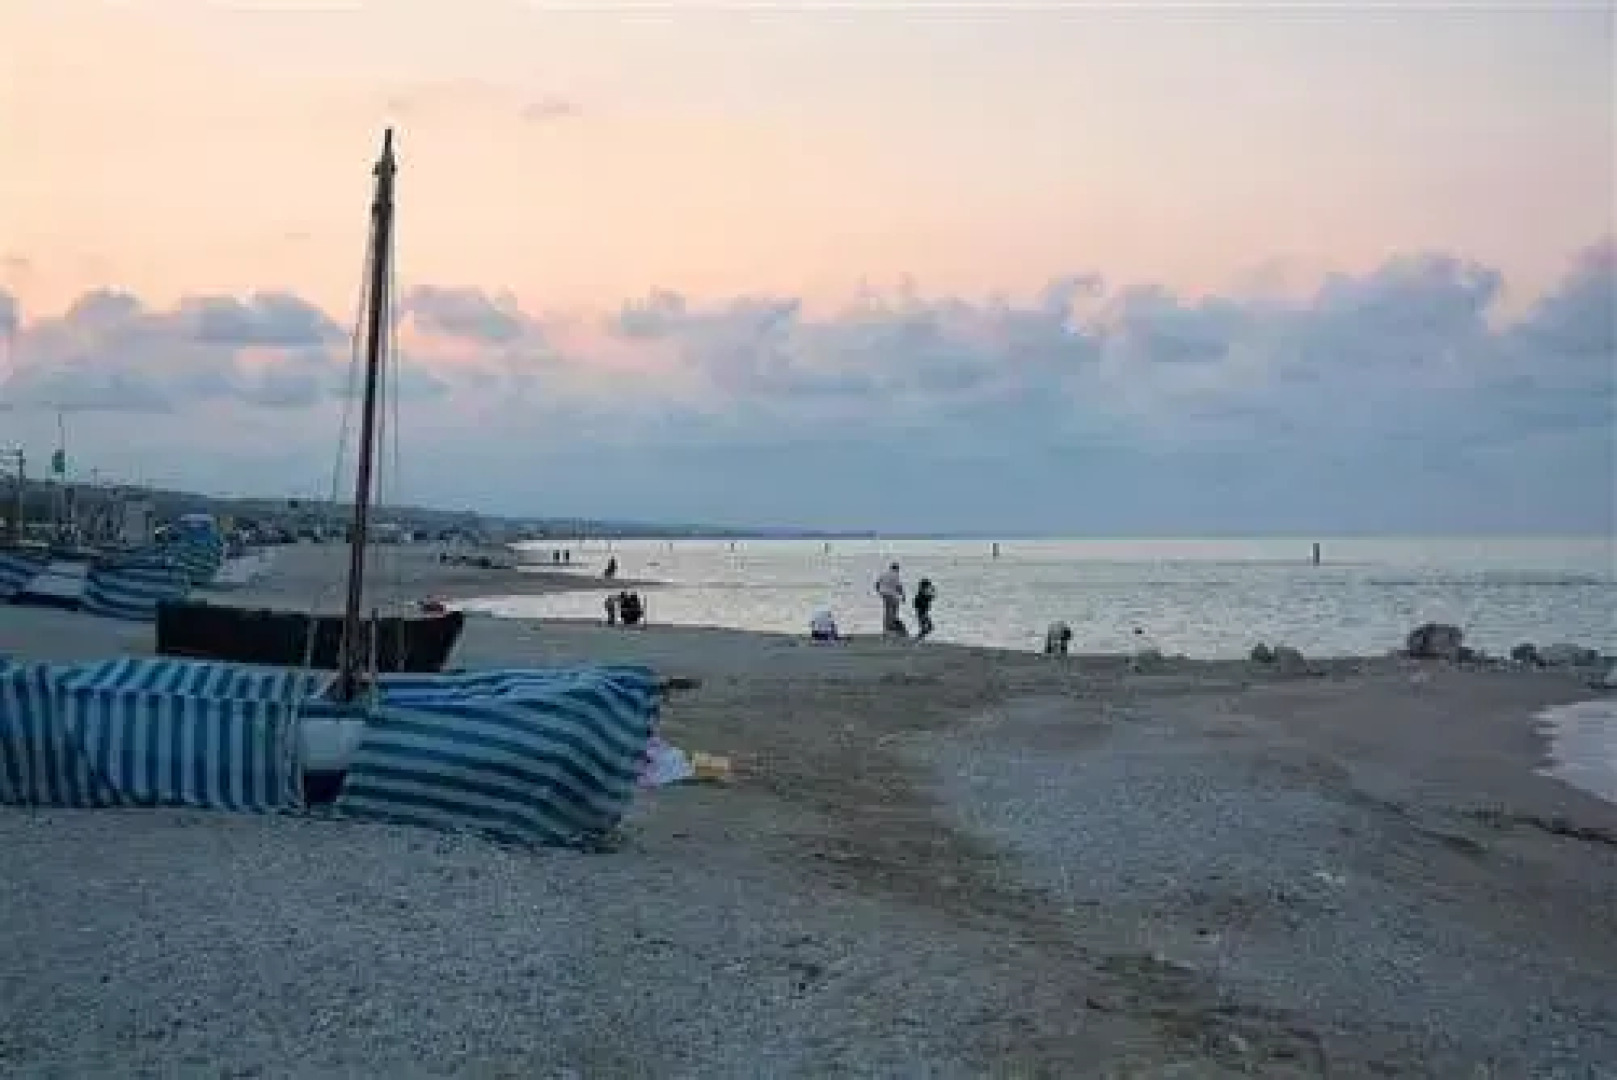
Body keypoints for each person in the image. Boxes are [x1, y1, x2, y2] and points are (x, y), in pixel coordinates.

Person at [874, 562, 906, 635]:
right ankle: (892, 625)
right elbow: (899, 586)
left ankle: (886, 626)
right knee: (894, 609)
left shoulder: (884, 574)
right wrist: (903, 595)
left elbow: (877, 583)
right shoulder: (896, 575)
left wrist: (879, 591)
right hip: (892, 594)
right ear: (897, 568)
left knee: (887, 609)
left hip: (884, 593)